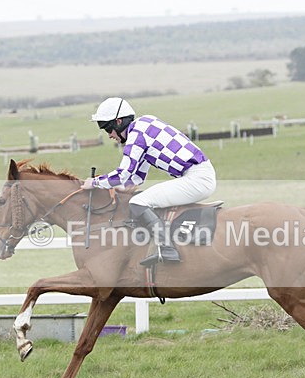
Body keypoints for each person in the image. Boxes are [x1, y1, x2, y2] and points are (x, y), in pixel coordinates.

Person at [82, 97, 216, 266]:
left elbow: (122, 174)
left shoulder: (137, 134)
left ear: (119, 122)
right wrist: (124, 188)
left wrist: (94, 183)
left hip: (197, 178)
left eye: (108, 128)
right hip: (197, 176)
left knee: (139, 201)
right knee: (139, 198)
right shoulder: (144, 125)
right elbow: (136, 177)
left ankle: (167, 248)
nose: (109, 135)